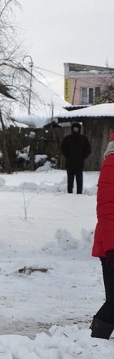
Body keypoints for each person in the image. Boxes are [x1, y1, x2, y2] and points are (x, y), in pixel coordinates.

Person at [91, 132, 114, 340]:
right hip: (111, 245)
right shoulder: (112, 162)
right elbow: (106, 209)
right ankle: (95, 343)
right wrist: (111, 248)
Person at [60, 122, 92, 194]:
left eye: (77, 128)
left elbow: (88, 149)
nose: (76, 129)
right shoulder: (67, 139)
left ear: (79, 129)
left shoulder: (84, 139)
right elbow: (62, 148)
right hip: (69, 162)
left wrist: (83, 156)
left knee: (79, 178)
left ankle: (79, 192)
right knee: (70, 178)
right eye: (74, 128)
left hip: (79, 162)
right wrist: (67, 155)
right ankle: (69, 192)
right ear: (72, 129)